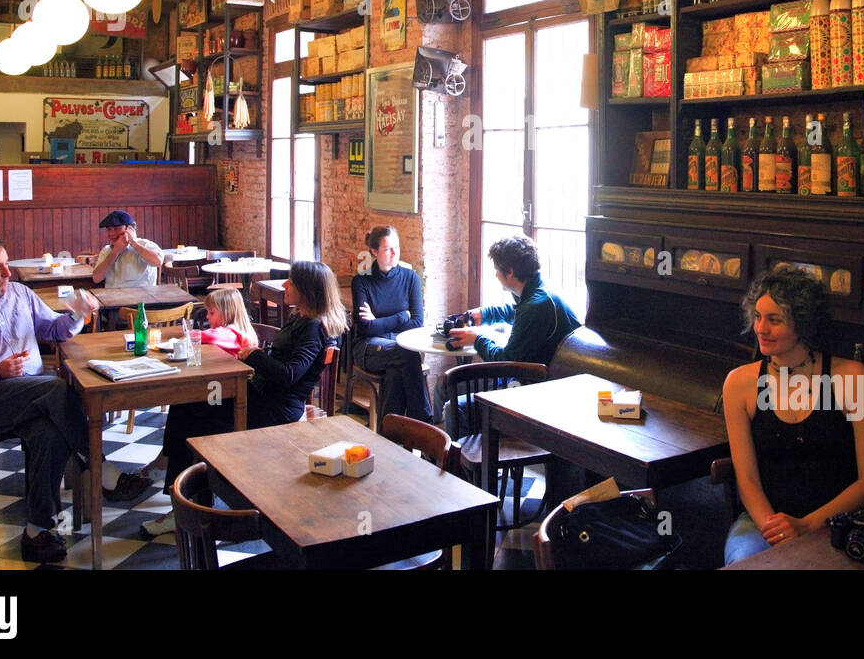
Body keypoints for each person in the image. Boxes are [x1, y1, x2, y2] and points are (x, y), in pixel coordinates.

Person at [0, 236, 153, 563]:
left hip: (35, 397)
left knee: (51, 435)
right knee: (58, 388)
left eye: (7, 263)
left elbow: (55, 330)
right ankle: (101, 470)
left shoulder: (20, 294)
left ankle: (36, 530)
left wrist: (78, 313)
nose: (7, 272)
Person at [144, 260, 345, 536]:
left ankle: (182, 504)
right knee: (187, 404)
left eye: (291, 282)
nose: (285, 285)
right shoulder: (301, 318)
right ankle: (179, 486)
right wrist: (257, 356)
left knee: (192, 418)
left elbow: (289, 375)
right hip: (261, 397)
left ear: (307, 290)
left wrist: (254, 355)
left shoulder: (312, 327)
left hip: (272, 410)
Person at [721, 268, 864, 565]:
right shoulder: (739, 383)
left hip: (834, 522)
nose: (760, 329)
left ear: (805, 323)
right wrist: (777, 531)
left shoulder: (850, 377)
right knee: (747, 562)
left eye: (774, 320)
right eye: (757, 317)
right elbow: (747, 479)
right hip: (762, 523)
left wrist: (808, 525)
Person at [140, 288, 260, 536]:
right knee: (181, 407)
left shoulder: (232, 333)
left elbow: (210, 337)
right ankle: (170, 471)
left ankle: (178, 497)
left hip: (228, 404)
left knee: (184, 420)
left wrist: (192, 333)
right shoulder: (234, 330)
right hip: (220, 396)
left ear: (226, 314)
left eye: (213, 313)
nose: (209, 317)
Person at [448, 234, 581, 365]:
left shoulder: (535, 307)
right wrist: (485, 314)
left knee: (458, 384)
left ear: (510, 272)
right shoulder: (539, 293)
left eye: (497, 270)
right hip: (556, 372)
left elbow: (506, 361)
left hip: (548, 381)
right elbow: (518, 312)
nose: (496, 275)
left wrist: (477, 340)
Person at [350, 226, 431, 423]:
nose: (394, 253)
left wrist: (378, 322)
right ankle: (424, 423)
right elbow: (365, 328)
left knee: (396, 372)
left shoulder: (410, 278)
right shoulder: (361, 282)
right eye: (387, 249)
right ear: (374, 252)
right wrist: (402, 317)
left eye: (396, 247)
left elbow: (418, 322)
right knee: (407, 354)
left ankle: (389, 435)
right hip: (369, 348)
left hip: (398, 348)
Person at [91, 210, 163, 288]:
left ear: (130, 229)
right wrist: (115, 251)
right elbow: (96, 278)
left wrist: (133, 242)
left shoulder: (144, 244)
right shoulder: (107, 250)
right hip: (112, 298)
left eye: (116, 228)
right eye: (109, 229)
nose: (111, 233)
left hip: (139, 299)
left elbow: (158, 262)